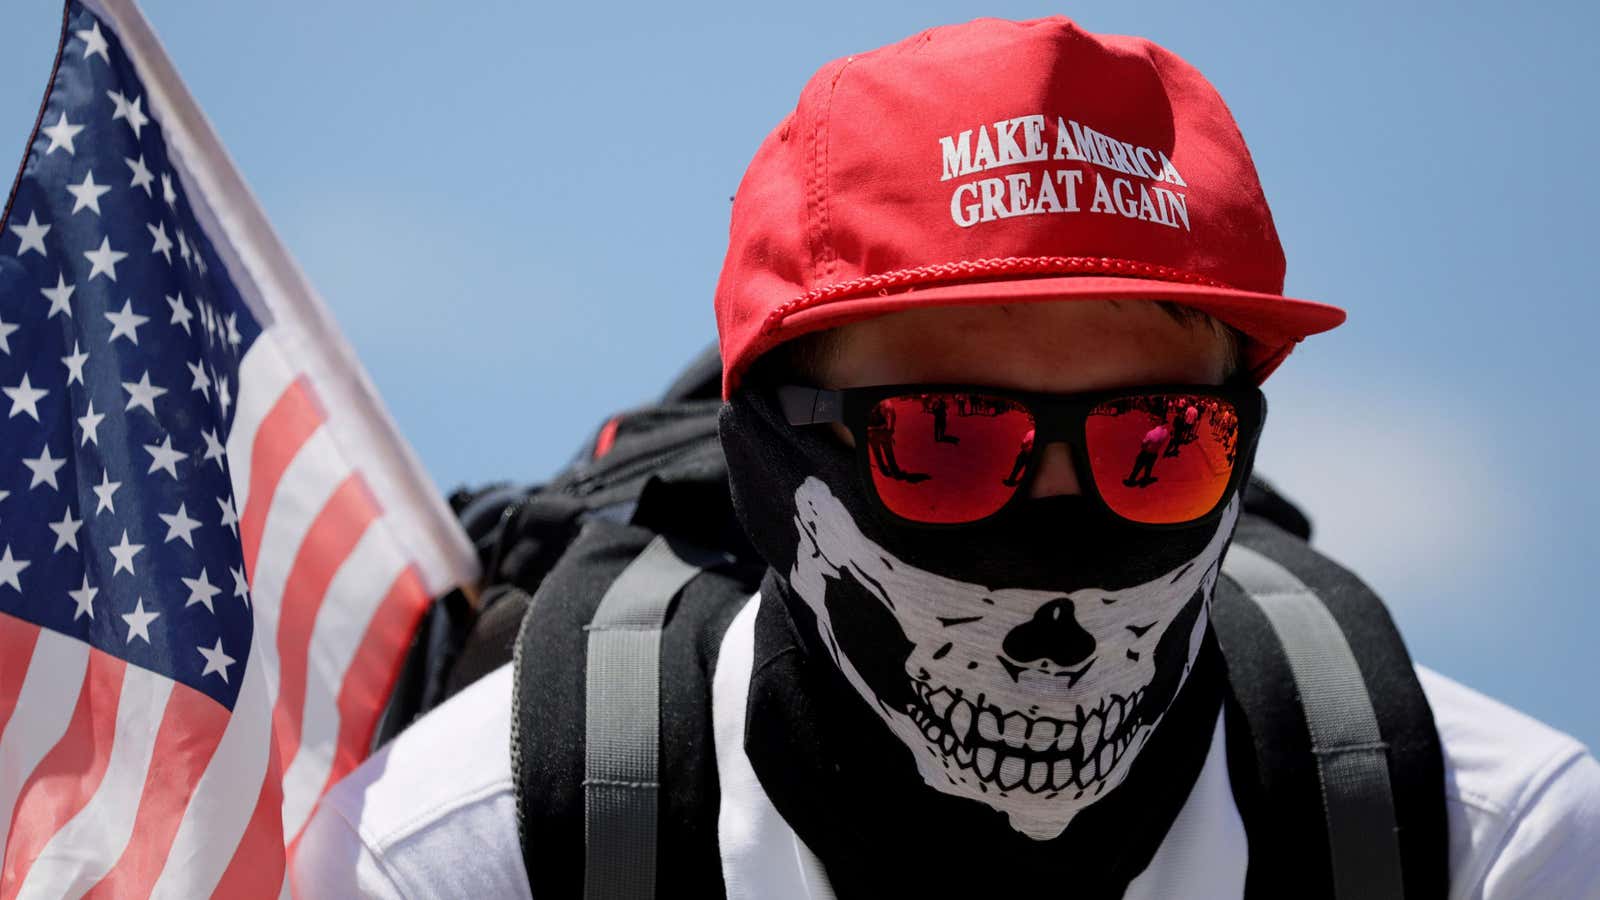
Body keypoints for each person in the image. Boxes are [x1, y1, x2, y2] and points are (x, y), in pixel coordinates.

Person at [292, 16, 1600, 898]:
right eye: (946, 441)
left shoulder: (1488, 851)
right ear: (771, 462)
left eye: (1158, 444)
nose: (1058, 580)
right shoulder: (464, 862)